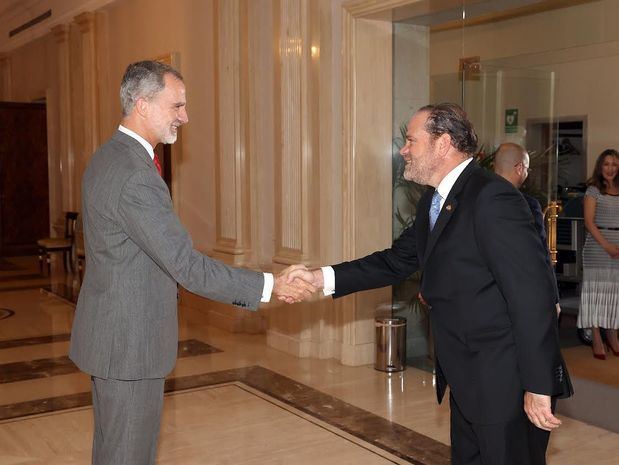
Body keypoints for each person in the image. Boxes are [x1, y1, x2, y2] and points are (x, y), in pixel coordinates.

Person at [293, 103, 572, 464]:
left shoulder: (492, 197)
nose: (403, 149)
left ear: (443, 143)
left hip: (504, 381)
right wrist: (319, 278)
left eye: (411, 140)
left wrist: (537, 386)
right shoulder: (436, 200)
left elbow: (532, 296)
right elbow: (395, 262)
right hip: (466, 378)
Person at [69, 60, 314, 465]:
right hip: (130, 347)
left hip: (114, 338)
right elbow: (186, 265)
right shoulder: (134, 175)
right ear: (143, 104)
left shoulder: (108, 156)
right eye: (177, 105)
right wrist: (271, 285)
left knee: (116, 452)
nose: (185, 116)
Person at [493, 142, 561, 315]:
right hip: (519, 293)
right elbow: (540, 253)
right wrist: (553, 298)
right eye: (527, 169)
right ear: (519, 168)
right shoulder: (528, 205)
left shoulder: (473, 199)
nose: (526, 174)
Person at [577, 149, 619, 359]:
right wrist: (607, 246)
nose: (610, 168)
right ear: (600, 166)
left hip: (617, 248)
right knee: (596, 293)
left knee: (614, 294)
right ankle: (595, 336)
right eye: (606, 164)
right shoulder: (593, 190)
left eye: (614, 164)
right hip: (597, 248)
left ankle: (612, 334)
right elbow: (589, 223)